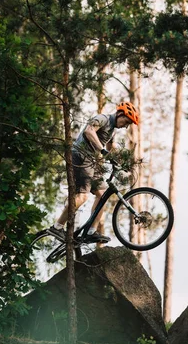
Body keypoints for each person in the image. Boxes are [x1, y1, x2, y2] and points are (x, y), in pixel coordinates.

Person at [48, 102, 140, 243]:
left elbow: (110, 148)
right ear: (120, 114)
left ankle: (91, 232)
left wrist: (120, 162)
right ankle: (57, 226)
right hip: (80, 155)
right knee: (82, 196)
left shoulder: (113, 130)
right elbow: (89, 131)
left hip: (91, 160)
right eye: (126, 121)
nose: (125, 125)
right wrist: (102, 151)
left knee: (102, 195)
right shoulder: (102, 118)